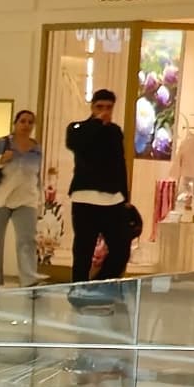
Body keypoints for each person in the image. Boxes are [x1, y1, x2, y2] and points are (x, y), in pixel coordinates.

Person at [66, 82, 136, 284]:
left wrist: (125, 197)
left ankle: (101, 285)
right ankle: (78, 288)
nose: (105, 111)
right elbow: (76, 144)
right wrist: (97, 123)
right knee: (83, 249)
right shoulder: (78, 128)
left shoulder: (115, 131)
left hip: (113, 200)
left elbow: (120, 163)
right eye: (100, 107)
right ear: (92, 107)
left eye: (108, 107)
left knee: (121, 248)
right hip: (85, 198)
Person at [0, 106, 44, 291]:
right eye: (22, 121)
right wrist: (0, 159)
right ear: (15, 124)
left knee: (27, 240)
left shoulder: (36, 148)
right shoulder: (1, 143)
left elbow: (36, 177)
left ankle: (29, 281)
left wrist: (40, 200)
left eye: (30, 122)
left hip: (25, 201)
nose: (26, 125)